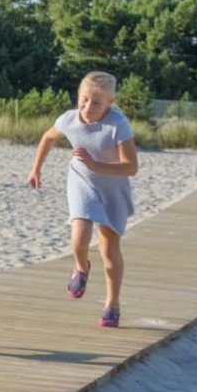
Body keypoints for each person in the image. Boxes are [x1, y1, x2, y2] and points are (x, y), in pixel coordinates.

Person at [27, 71, 138, 328]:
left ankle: (112, 305)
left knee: (109, 253)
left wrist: (97, 165)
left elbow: (131, 167)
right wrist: (36, 168)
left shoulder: (117, 124)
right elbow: (47, 137)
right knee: (79, 235)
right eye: (84, 99)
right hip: (82, 182)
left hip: (112, 188)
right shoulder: (69, 119)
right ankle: (81, 267)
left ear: (110, 102)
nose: (88, 107)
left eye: (97, 102)